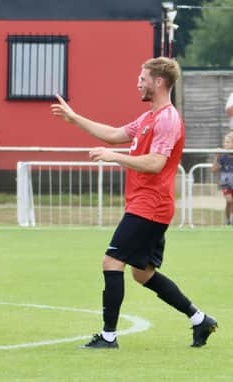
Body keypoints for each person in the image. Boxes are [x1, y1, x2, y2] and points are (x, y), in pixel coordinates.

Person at [51, 56, 218, 349]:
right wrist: (74, 118)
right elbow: (115, 134)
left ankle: (108, 336)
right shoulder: (149, 117)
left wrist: (113, 156)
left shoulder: (167, 118)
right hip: (145, 205)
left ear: (159, 82)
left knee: (111, 261)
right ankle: (199, 319)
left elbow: (155, 163)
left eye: (143, 78)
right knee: (142, 274)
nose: (138, 83)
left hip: (151, 206)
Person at [212, 131, 233, 225]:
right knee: (229, 200)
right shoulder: (223, 156)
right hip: (226, 184)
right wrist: (216, 156)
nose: (225, 144)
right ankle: (228, 220)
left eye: (228, 142)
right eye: (225, 142)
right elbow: (214, 169)